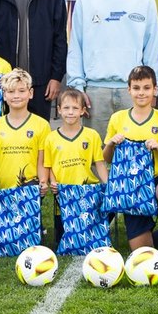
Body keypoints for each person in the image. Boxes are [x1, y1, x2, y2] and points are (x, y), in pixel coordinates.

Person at [67, 0, 158, 131]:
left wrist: (155, 87)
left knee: (134, 152)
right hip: (95, 90)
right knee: (98, 157)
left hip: (134, 89)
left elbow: (153, 45)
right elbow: (75, 45)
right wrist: (77, 85)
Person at [102, 65, 158, 260]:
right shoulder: (118, 118)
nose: (141, 93)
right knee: (142, 252)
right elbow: (106, 158)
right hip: (131, 184)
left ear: (155, 89)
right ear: (129, 89)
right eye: (136, 88)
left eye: (147, 88)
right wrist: (112, 144)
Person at [40, 87, 108, 251]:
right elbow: (48, 166)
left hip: (86, 191)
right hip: (63, 193)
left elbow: (99, 163)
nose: (70, 112)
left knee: (88, 227)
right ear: (59, 110)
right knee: (61, 237)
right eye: (66, 108)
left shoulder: (91, 135)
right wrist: (53, 183)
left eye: (75, 108)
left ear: (83, 111)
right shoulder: (50, 138)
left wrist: (108, 184)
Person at [0, 68, 50, 190]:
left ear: (30, 93)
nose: (16, 96)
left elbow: (42, 161)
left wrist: (43, 181)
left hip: (30, 190)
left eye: (21, 91)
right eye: (11, 91)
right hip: (4, 192)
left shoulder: (42, 125)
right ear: (4, 95)